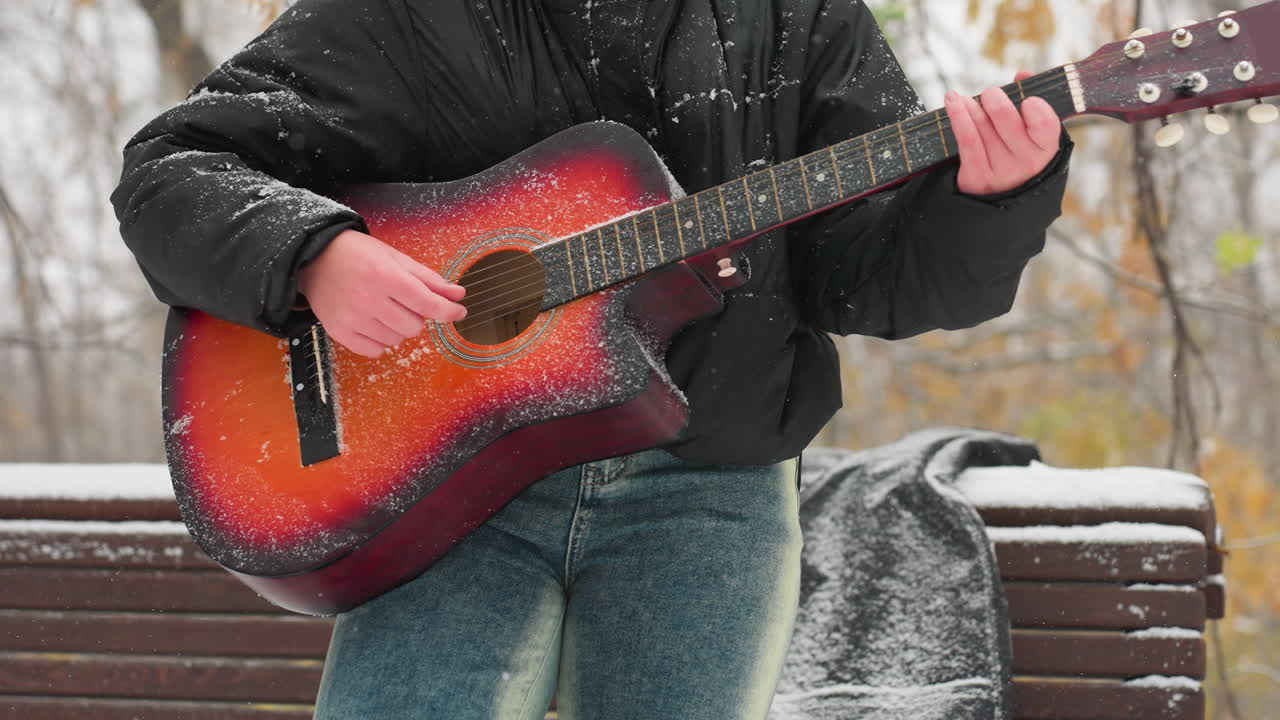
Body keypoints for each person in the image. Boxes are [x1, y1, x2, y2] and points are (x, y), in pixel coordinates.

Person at [111, 1, 1070, 718]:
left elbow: (874, 279)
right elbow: (172, 169)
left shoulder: (797, 13)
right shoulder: (408, 13)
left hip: (709, 489)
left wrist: (988, 203)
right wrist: (313, 253)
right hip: (447, 488)